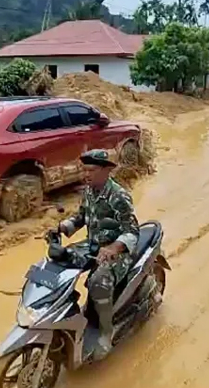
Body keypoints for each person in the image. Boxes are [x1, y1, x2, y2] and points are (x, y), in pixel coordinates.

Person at [59, 149, 139, 360]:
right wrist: (64, 227)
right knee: (59, 264)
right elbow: (81, 217)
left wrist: (114, 248)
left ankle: (106, 331)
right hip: (93, 246)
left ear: (106, 171)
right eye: (84, 170)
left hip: (117, 252)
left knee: (99, 282)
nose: (86, 174)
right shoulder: (89, 191)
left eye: (91, 170)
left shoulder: (119, 196)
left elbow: (132, 231)